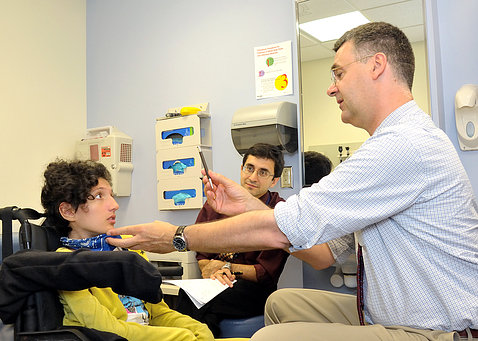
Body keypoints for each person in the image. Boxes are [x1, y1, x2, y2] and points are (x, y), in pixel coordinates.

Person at [107, 21, 478, 341]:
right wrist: (251, 204)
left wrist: (175, 238)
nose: (331, 88)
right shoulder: (394, 145)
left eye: (339, 73)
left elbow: (282, 231)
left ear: (377, 65)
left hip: (434, 331)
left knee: (271, 336)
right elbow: (321, 254)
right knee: (282, 302)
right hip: (390, 318)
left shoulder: (403, 145)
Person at [41, 159, 247, 341]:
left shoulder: (129, 252)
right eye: (98, 196)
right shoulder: (66, 264)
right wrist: (183, 337)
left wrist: (198, 331)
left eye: (111, 195)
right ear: (68, 211)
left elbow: (158, 313)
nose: (114, 205)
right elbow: (105, 329)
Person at [175, 143, 289, 336]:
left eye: (263, 172)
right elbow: (200, 252)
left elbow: (264, 273)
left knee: (207, 303)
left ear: (274, 180)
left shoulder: (279, 212)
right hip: (216, 282)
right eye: (249, 168)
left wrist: (225, 268)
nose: (252, 177)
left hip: (253, 291)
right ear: (241, 169)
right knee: (188, 294)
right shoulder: (219, 200)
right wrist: (210, 268)